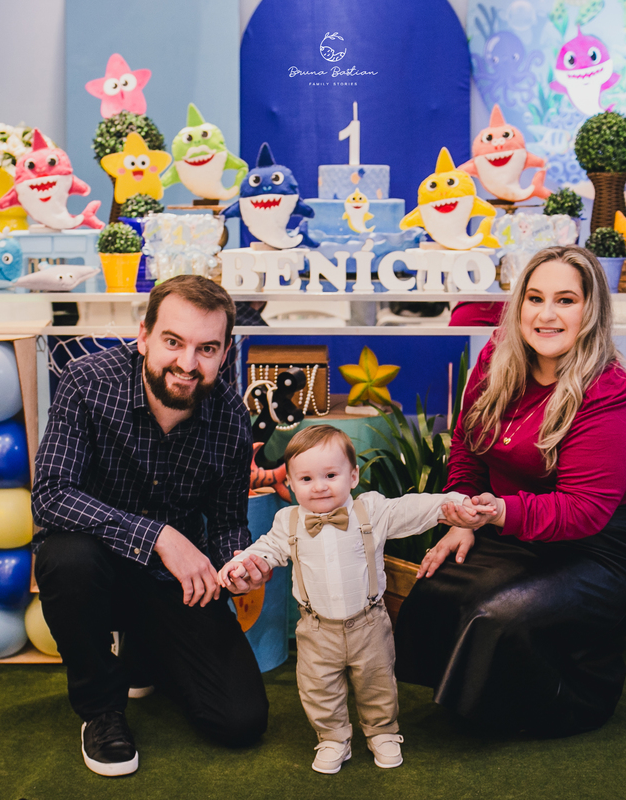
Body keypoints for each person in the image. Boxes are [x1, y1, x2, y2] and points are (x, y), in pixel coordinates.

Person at [394, 245, 626, 737]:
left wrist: (498, 512)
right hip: (519, 526)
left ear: (591, 310)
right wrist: (461, 517)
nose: (546, 315)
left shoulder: (612, 393)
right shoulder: (496, 360)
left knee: (498, 618)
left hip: (608, 548)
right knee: (437, 588)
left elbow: (583, 510)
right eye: (535, 298)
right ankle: (483, 688)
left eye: (566, 300)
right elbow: (468, 445)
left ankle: (582, 694)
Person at [32, 275, 275, 777]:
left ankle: (145, 651)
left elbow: (228, 521)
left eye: (206, 348)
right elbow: (51, 495)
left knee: (241, 721)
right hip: (93, 571)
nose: (188, 363)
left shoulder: (231, 416)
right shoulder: (86, 382)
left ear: (225, 352)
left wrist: (239, 561)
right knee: (65, 557)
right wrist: (157, 536)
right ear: (143, 336)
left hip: (173, 585)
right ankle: (101, 709)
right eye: (173, 341)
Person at [218, 425, 492, 774]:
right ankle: (332, 737)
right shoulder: (288, 521)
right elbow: (266, 549)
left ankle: (383, 731)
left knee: (377, 683)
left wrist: (453, 505)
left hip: (369, 622)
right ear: (291, 483)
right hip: (316, 629)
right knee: (318, 687)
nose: (319, 486)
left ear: (353, 476)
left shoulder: (371, 510)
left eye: (330, 475)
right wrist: (242, 563)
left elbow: (411, 508)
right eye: (306, 479)